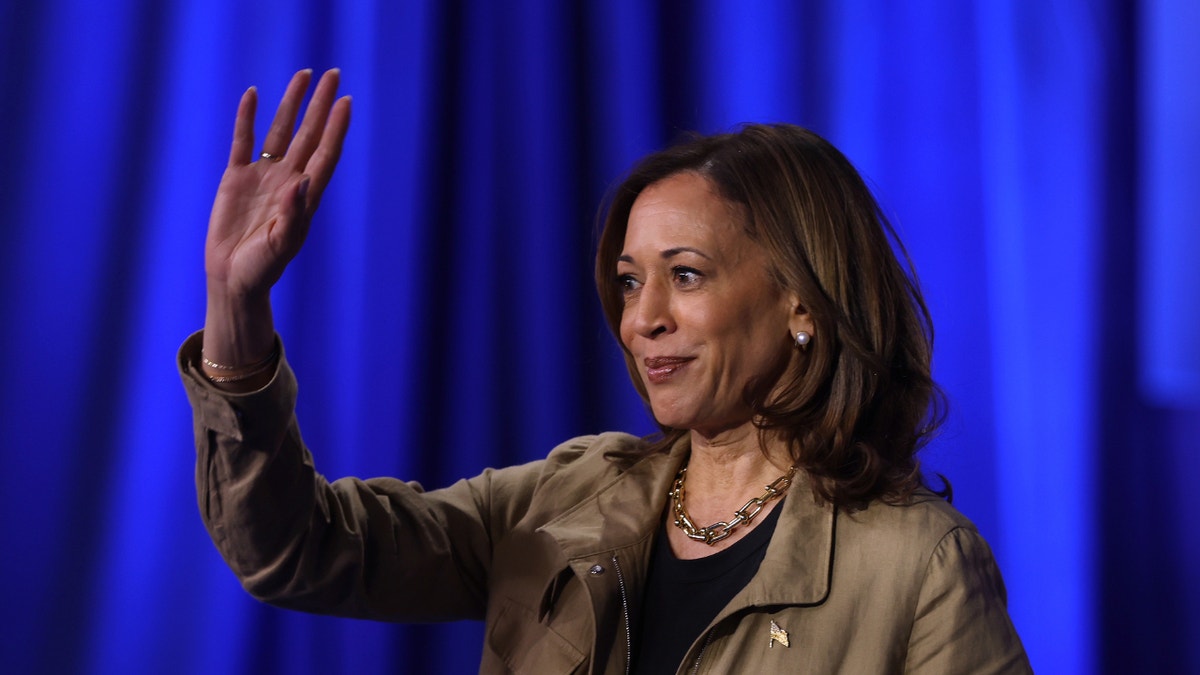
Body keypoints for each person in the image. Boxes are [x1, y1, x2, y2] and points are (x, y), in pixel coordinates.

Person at [180, 68, 1031, 674]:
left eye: (685, 275)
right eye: (630, 281)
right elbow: (297, 548)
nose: (640, 317)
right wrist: (235, 305)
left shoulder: (919, 568)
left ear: (801, 303)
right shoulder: (562, 500)